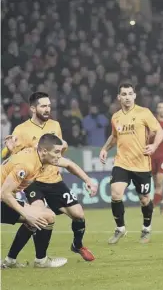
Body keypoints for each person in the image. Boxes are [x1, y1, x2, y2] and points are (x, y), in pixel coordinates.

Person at [2, 92, 96, 264]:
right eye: (43, 106)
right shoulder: (22, 134)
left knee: (76, 214)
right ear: (33, 108)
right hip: (32, 182)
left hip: (52, 180)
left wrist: (88, 181)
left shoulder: (54, 127)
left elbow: (62, 158)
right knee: (41, 217)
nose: (47, 109)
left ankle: (75, 246)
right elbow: (10, 161)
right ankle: (39, 259)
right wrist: (7, 149)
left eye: (49, 106)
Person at [99, 83, 163, 244]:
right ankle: (120, 228)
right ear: (119, 97)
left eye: (130, 94)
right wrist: (105, 148)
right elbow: (114, 136)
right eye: (124, 94)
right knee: (115, 193)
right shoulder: (116, 117)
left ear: (134, 96)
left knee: (144, 199)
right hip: (122, 162)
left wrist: (154, 146)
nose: (127, 97)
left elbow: (159, 131)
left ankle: (146, 229)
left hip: (141, 164)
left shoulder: (144, 113)